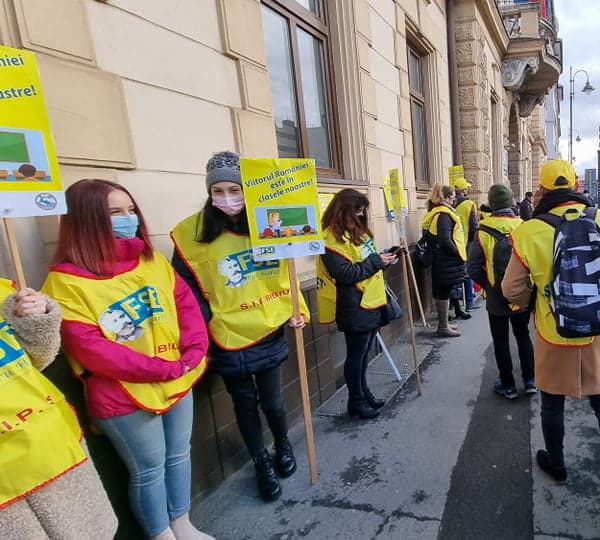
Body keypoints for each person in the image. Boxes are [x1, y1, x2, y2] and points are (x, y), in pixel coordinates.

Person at [42, 179, 212, 540]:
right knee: (148, 470)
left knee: (179, 455)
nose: (128, 219)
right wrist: (165, 368)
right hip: (123, 394)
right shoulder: (64, 283)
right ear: (87, 221)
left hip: (177, 378)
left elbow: (185, 305)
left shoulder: (150, 261)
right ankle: (160, 533)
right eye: (115, 213)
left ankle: (182, 523)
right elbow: (92, 349)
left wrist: (194, 349)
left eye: (131, 210)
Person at [503, 159, 600, 521]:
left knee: (552, 404)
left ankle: (558, 463)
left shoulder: (528, 231)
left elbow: (511, 289)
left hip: (553, 333)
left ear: (543, 191)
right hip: (597, 332)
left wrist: (529, 304)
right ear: (577, 186)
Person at [171, 151, 308, 502]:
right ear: (209, 193)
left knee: (275, 403)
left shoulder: (269, 224)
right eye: (219, 191)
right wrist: (201, 329)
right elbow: (185, 291)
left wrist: (298, 307)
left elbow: (286, 271)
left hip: (268, 329)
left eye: (235, 189)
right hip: (225, 338)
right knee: (243, 406)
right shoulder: (191, 235)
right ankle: (260, 461)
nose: (227, 198)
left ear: (247, 190)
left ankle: (282, 445)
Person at [0, 280, 118, 539]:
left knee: (92, 533)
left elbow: (40, 357)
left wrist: (37, 318)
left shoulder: (4, 292)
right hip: (7, 480)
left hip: (51, 445)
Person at [317, 188, 399, 419]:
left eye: (363, 211)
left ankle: (364, 394)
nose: (362, 215)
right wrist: (376, 261)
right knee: (356, 355)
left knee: (364, 355)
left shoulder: (357, 233)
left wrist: (384, 259)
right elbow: (346, 274)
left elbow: (365, 262)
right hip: (354, 305)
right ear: (343, 211)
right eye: (357, 211)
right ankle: (356, 401)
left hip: (370, 301)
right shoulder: (329, 240)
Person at [467, 183, 535, 399]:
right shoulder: (525, 226)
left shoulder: (483, 230)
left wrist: (488, 285)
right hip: (521, 291)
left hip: (496, 293)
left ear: (492, 204)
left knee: (501, 340)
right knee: (523, 335)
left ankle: (508, 385)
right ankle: (530, 380)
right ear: (510, 202)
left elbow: (473, 267)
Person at [422, 184, 469, 336]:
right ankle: (443, 327)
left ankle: (444, 323)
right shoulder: (444, 214)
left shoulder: (434, 212)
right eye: (453, 197)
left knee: (442, 291)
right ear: (447, 198)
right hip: (445, 260)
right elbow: (445, 240)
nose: (454, 200)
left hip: (438, 259)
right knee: (443, 291)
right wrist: (458, 253)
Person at [452, 177, 480, 312]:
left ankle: (455, 302)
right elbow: (474, 225)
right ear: (463, 190)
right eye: (466, 188)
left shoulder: (449, 204)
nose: (468, 189)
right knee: (467, 271)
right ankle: (469, 301)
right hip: (466, 242)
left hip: (453, 242)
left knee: (455, 272)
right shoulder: (469, 204)